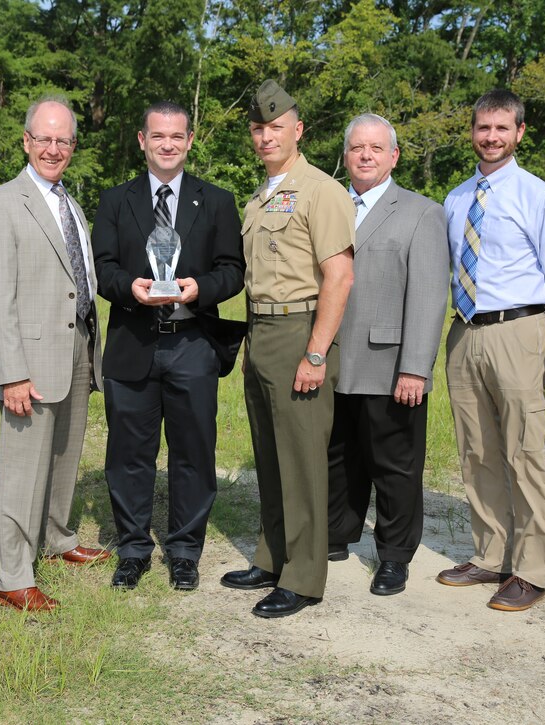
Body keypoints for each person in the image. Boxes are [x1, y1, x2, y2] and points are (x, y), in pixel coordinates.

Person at [92, 101, 245, 591]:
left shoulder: (216, 200)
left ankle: (184, 550)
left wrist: (201, 287)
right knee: (129, 454)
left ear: (190, 141)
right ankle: (133, 548)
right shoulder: (116, 200)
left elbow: (233, 270)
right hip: (132, 341)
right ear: (142, 140)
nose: (167, 144)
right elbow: (103, 266)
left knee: (192, 453)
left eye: (176, 136)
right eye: (158, 136)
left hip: (192, 343)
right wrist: (127, 289)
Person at [220, 80, 355, 618]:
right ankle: (273, 557)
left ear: (298, 130)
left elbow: (339, 277)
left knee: (301, 461)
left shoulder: (322, 190)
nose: (266, 136)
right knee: (271, 458)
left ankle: (303, 577)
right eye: (258, 128)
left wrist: (316, 353)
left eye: (276, 126)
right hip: (262, 332)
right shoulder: (262, 195)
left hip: (301, 331)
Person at [436, 90, 545, 612]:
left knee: (525, 451)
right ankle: (490, 555)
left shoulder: (539, 196)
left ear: (518, 132)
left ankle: (532, 570)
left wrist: (534, 334)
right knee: (478, 450)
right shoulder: (455, 198)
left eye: (501, 129)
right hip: (465, 330)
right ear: (472, 132)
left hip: (518, 329)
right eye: (482, 128)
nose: (490, 137)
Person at [0, 96, 108, 613]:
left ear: (73, 146)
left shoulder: (69, 202)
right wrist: (10, 373)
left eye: (63, 140)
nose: (54, 148)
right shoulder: (0, 201)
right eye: (44, 138)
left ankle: (56, 537)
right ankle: (12, 575)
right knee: (21, 468)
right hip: (28, 360)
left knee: (65, 455)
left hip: (77, 347)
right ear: (26, 141)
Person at [324, 114, 448, 596]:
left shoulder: (421, 212)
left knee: (394, 463)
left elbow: (428, 294)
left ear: (394, 156)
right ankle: (337, 533)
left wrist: (415, 367)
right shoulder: (330, 204)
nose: (366, 156)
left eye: (376, 148)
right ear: (346, 153)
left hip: (390, 361)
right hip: (332, 358)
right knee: (340, 455)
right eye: (357, 147)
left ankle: (395, 555)